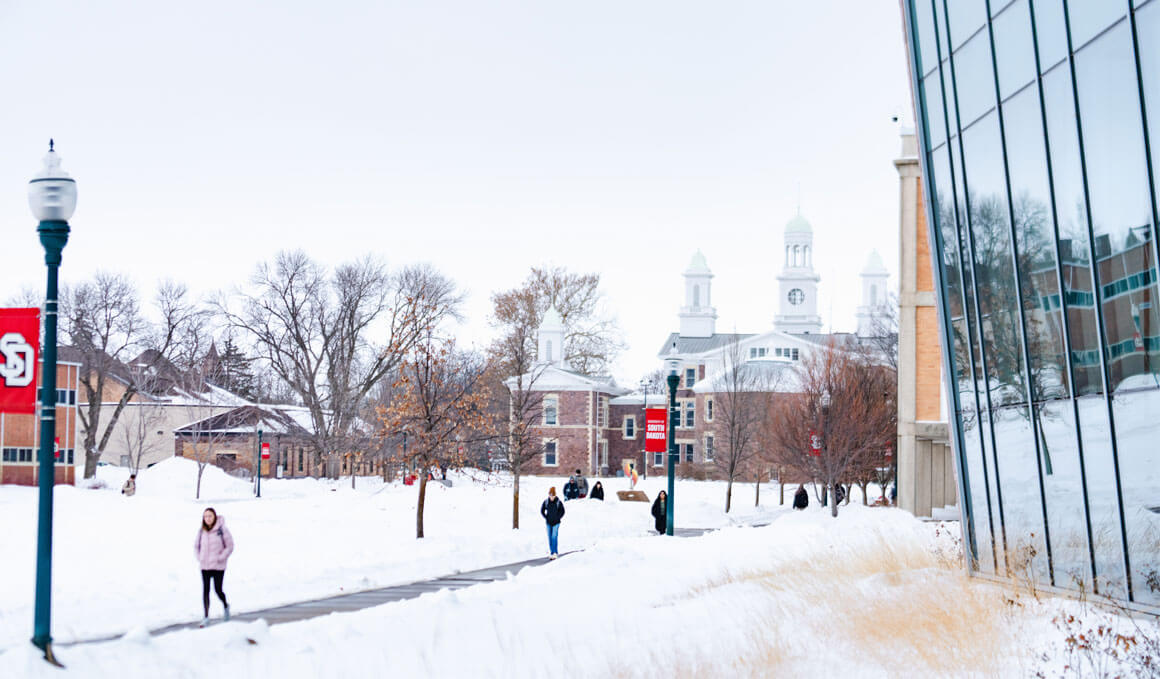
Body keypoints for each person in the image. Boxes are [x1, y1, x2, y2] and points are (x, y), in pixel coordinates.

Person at [194, 507, 235, 627]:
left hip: (218, 566)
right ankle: (206, 617)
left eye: (210, 516)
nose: (208, 518)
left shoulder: (222, 530)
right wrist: (199, 557)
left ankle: (226, 606)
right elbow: (196, 546)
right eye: (205, 516)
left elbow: (230, 546)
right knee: (205, 590)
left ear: (215, 517)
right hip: (205, 566)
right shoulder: (201, 531)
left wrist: (221, 557)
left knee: (218, 590)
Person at [540, 487, 565, 559]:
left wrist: (558, 517)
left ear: (555, 495)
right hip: (548, 522)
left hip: (556, 523)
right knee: (550, 537)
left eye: (553, 496)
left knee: (554, 536)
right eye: (550, 495)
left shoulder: (558, 502)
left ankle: (555, 552)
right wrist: (545, 517)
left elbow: (562, 511)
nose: (551, 497)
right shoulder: (546, 502)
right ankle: (551, 552)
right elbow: (542, 510)